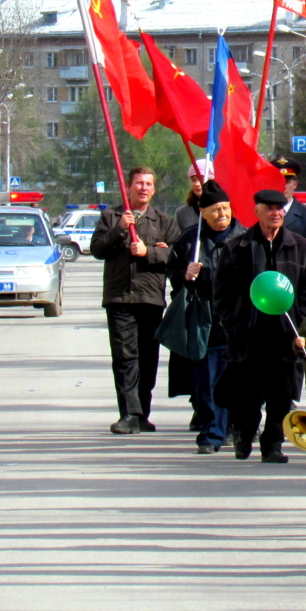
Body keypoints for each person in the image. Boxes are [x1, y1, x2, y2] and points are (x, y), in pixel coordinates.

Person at [214, 189, 306, 463]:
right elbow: (222, 292)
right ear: (256, 211)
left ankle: (273, 444)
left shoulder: (301, 247)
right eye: (269, 207)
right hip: (249, 334)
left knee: (282, 395)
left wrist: (300, 320)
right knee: (247, 394)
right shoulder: (237, 248)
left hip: (285, 335)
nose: (276, 213)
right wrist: (233, 322)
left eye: (280, 208)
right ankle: (243, 434)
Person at [91, 166, 181, 435]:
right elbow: (97, 249)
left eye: (148, 184)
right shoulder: (111, 216)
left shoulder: (163, 221)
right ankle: (129, 413)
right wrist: (119, 230)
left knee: (148, 359)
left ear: (154, 189)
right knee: (125, 357)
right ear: (128, 187)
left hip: (150, 299)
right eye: (138, 183)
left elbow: (178, 256)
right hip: (120, 298)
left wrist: (150, 252)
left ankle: (143, 412)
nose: (143, 188)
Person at [166, 179, 243, 454]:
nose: (222, 214)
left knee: (238, 379)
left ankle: (237, 426)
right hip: (204, 322)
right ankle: (211, 434)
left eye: (226, 208)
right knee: (206, 383)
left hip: (237, 322)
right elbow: (173, 273)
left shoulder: (245, 238)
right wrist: (185, 275)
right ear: (203, 212)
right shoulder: (190, 240)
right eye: (215, 210)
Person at [271, 156, 306, 247]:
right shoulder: (263, 213)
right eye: (278, 181)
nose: (283, 186)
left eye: (287, 182)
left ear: (295, 184)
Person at [176, 158, 213, 232]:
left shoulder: (224, 209)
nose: (197, 184)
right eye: (193, 180)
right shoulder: (182, 213)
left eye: (202, 178)